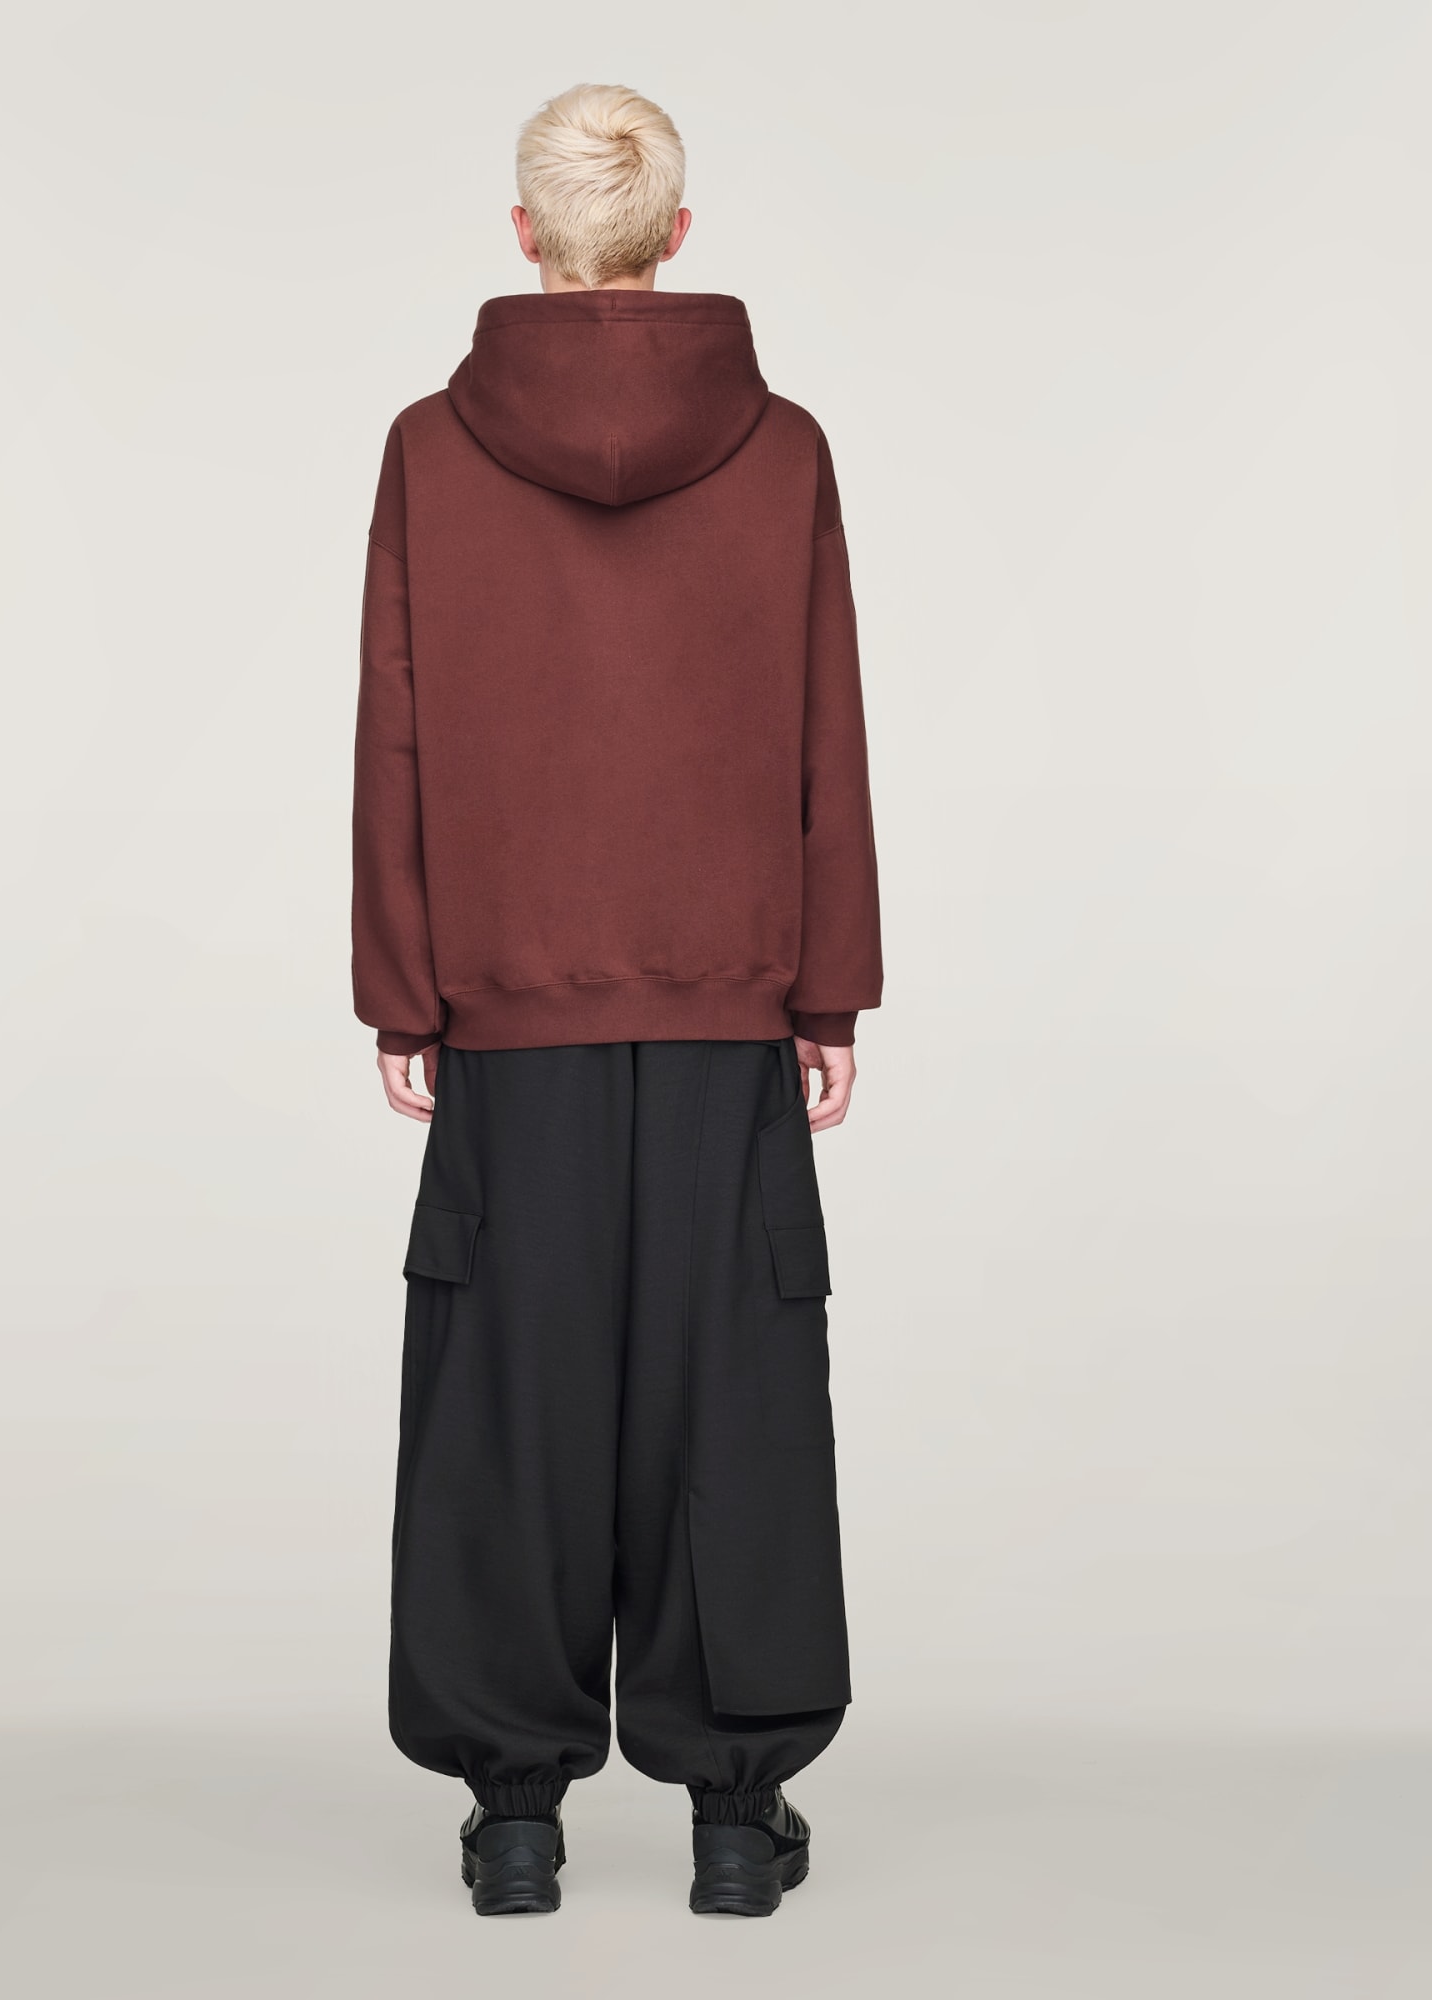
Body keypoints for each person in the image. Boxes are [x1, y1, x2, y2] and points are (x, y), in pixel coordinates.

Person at [350, 82, 883, 1918]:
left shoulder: (430, 451)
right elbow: (824, 729)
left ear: (526, 238)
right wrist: (828, 992)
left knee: (509, 1393)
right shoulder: (783, 449)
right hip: (730, 1002)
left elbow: (397, 729)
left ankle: (515, 1815)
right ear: (677, 234)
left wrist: (405, 992)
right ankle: (736, 1817)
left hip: (509, 1009)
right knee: (733, 1394)